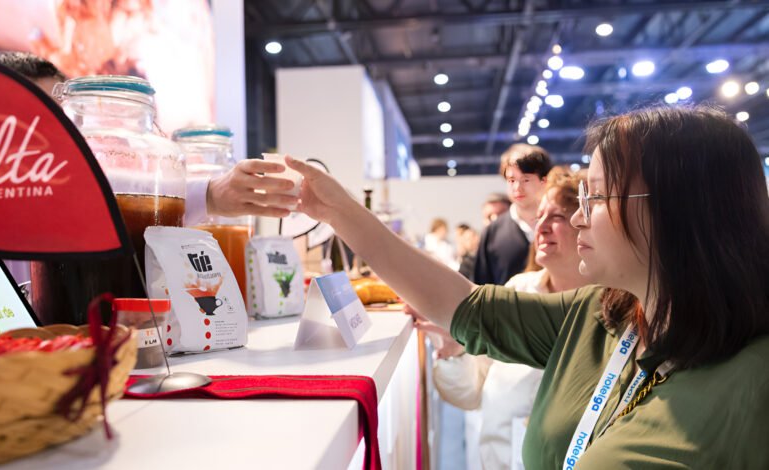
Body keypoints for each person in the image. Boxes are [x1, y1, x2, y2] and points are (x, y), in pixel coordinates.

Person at [285, 104, 769, 469]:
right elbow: (467, 307)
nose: (578, 219)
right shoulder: (601, 316)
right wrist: (337, 211)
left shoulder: (752, 382)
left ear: (679, 210)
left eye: (598, 197)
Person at [0, 51, 296, 281]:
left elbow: (129, 189)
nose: (46, 133)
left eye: (57, 117)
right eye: (28, 118)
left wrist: (211, 194)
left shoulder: (80, 177)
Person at [415, 169, 588, 470]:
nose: (542, 227)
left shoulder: (607, 312)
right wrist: (456, 352)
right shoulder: (518, 291)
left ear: (586, 224)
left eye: (557, 216)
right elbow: (469, 393)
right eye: (540, 216)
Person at [472, 144, 552, 285]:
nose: (517, 187)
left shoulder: (560, 225)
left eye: (526, 179)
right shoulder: (492, 232)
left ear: (544, 181)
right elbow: (482, 287)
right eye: (511, 180)